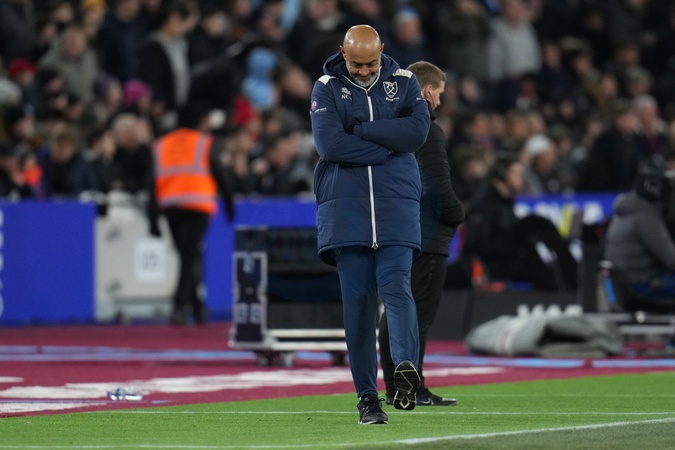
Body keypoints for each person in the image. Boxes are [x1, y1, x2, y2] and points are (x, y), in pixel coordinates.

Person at [309, 24, 430, 425]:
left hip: (396, 205)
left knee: (397, 288)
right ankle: (367, 399)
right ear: (342, 52)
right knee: (359, 307)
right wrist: (385, 149)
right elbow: (329, 145)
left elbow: (417, 132)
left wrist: (359, 132)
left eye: (370, 64)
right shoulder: (326, 87)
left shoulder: (405, 81)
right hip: (346, 211)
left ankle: (405, 370)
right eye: (356, 64)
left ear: (382, 51)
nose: (363, 71)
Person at [377, 61, 464, 407]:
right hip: (425, 233)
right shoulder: (426, 127)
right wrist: (457, 215)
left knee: (395, 307)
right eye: (438, 94)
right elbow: (436, 186)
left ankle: (395, 386)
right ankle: (412, 387)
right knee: (417, 314)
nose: (439, 102)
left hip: (391, 227)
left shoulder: (389, 124)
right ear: (427, 91)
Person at [148, 101, 236, 325]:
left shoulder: (161, 144)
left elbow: (152, 183)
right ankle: (180, 306)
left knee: (187, 256)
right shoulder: (203, 142)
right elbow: (220, 174)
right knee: (189, 257)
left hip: (171, 208)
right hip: (197, 207)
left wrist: (152, 218)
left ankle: (196, 306)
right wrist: (229, 204)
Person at [604, 170, 675, 302]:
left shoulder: (629, 209)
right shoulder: (645, 217)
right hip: (642, 282)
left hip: (628, 280)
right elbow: (671, 260)